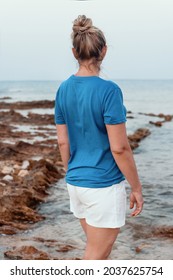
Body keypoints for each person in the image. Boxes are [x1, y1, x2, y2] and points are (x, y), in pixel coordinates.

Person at [55, 15, 143, 260]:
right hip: (102, 186)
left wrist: (71, 171)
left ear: (74, 52)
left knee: (96, 256)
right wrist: (136, 187)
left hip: (76, 183)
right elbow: (120, 148)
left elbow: (63, 141)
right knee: (94, 260)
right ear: (103, 51)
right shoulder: (109, 91)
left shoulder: (63, 89)